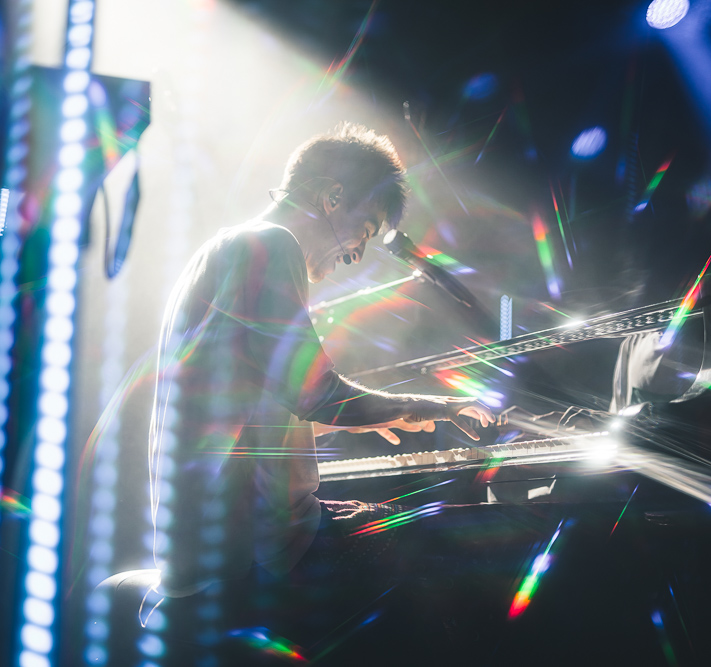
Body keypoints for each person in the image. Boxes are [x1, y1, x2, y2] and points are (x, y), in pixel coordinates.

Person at [99, 123, 494, 604]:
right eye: (364, 231)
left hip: (205, 540)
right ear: (331, 197)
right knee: (453, 547)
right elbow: (315, 394)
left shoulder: (230, 249)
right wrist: (426, 405)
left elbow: (248, 409)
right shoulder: (267, 245)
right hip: (250, 547)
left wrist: (362, 421)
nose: (356, 256)